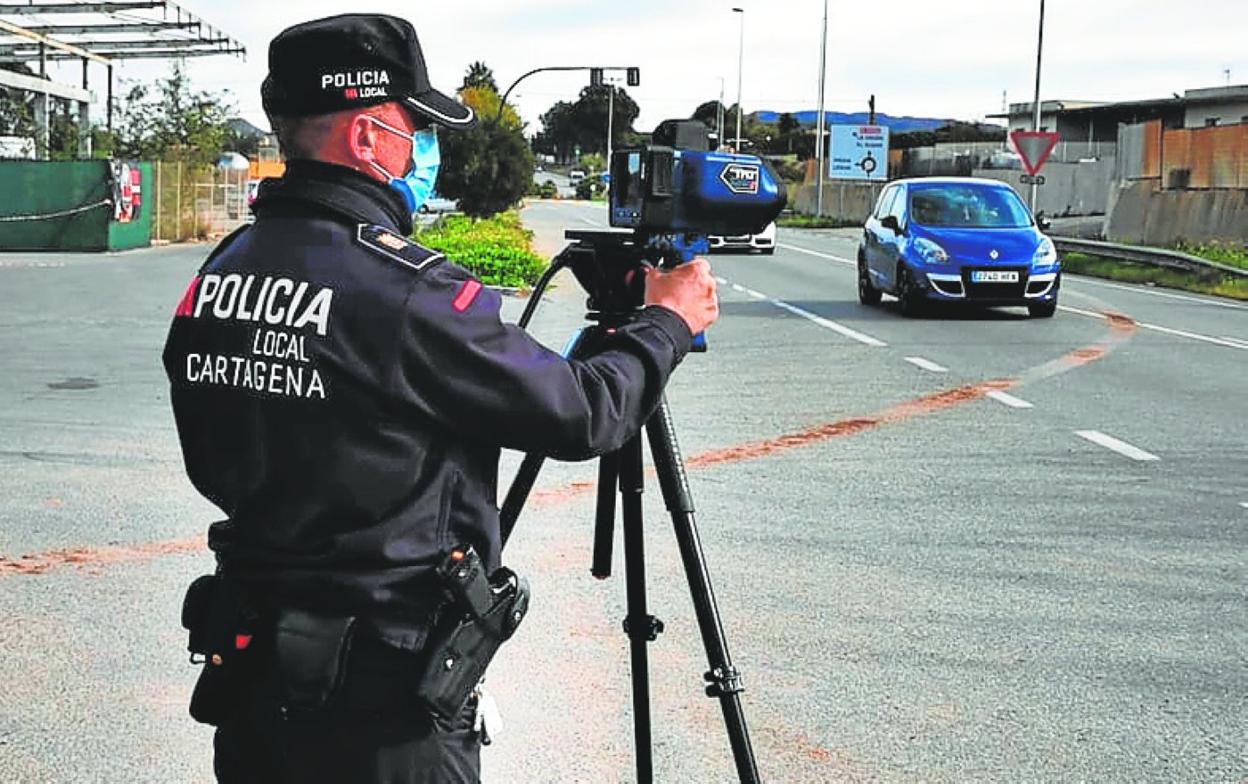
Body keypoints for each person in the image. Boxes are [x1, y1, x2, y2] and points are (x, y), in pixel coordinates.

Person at [161, 13, 718, 784]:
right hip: (383, 707)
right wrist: (666, 323)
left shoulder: (224, 270)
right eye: (416, 127)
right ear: (365, 139)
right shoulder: (406, 291)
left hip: (255, 674)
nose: (427, 148)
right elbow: (587, 412)